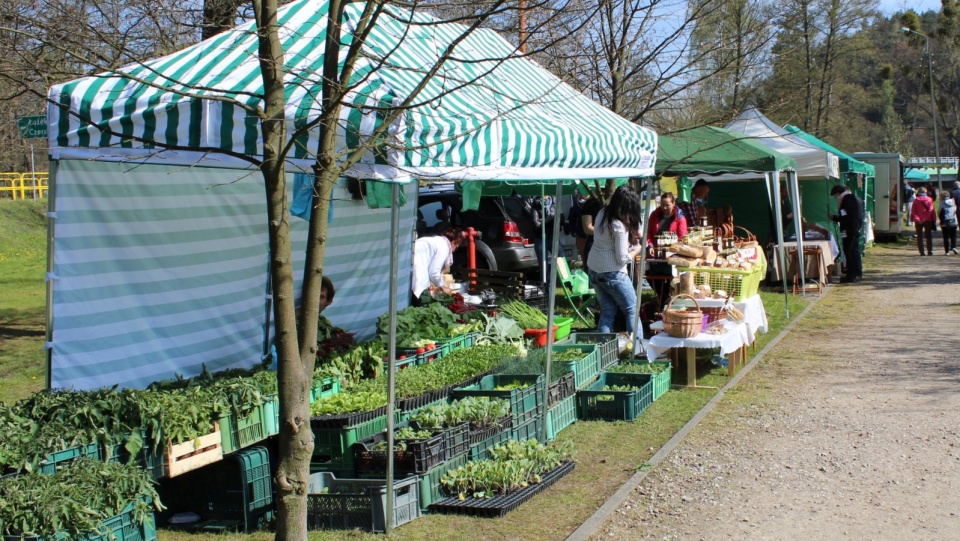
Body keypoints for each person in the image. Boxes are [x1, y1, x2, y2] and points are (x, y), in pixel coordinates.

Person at [586, 186, 643, 335]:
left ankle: (603, 351)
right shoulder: (619, 225)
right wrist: (637, 249)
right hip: (612, 273)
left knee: (607, 312)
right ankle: (639, 350)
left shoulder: (602, 213)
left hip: (594, 269)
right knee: (632, 310)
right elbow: (622, 258)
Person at [411, 227, 463, 304]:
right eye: (456, 247)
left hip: (411, 267)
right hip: (417, 273)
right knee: (417, 303)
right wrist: (443, 287)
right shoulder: (444, 247)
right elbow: (434, 272)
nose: (454, 250)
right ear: (453, 242)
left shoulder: (437, 241)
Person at [830, 184, 864, 283]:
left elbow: (845, 216)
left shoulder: (846, 200)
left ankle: (851, 275)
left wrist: (835, 218)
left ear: (837, 193)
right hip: (855, 228)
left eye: (835, 196)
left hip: (848, 229)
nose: (835, 199)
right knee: (855, 251)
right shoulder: (855, 198)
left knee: (848, 251)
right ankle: (857, 272)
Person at [910, 187, 936, 256]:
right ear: (926, 192)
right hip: (928, 220)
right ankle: (930, 251)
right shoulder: (929, 200)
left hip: (918, 221)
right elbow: (931, 210)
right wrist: (924, 219)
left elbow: (913, 211)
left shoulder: (916, 200)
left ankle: (922, 252)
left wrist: (917, 219)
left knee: (919, 236)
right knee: (928, 236)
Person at [580, 194, 604, 269]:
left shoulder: (614, 203)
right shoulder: (590, 203)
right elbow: (587, 228)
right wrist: (606, 234)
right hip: (593, 244)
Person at [939, 190, 958, 255]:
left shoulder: (942, 202)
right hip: (953, 220)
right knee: (953, 235)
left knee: (946, 236)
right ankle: (954, 246)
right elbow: (955, 210)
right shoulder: (953, 202)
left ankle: (947, 251)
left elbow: (939, 211)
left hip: (945, 221)